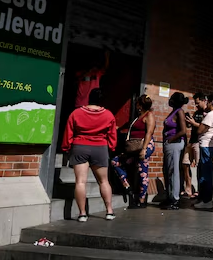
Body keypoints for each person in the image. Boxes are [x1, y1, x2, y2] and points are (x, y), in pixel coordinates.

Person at [62, 88, 117, 222]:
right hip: (100, 148)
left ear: (88, 98)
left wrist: (66, 148)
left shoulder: (76, 113)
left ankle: (82, 214)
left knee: (80, 181)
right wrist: (111, 147)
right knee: (104, 181)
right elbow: (112, 136)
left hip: (80, 146)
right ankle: (109, 211)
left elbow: (68, 132)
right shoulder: (109, 115)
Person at [111, 94, 156, 208]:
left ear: (140, 105)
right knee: (116, 161)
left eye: (137, 103)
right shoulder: (138, 117)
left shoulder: (149, 115)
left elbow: (149, 133)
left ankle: (141, 200)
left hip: (145, 146)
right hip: (134, 147)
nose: (136, 106)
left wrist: (144, 149)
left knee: (142, 171)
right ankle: (126, 185)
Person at [191, 94, 213, 210]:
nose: (207, 103)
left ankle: (206, 200)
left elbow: (200, 129)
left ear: (212, 102)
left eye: (208, 101)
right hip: (212, 145)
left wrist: (198, 126)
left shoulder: (211, 115)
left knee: (205, 173)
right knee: (207, 171)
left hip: (206, 145)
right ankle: (204, 198)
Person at [162, 92, 188, 210]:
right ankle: (169, 196)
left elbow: (183, 130)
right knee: (168, 171)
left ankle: (175, 199)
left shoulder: (180, 112)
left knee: (173, 172)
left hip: (175, 144)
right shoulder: (173, 112)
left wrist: (171, 139)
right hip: (169, 144)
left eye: (171, 99)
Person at [182, 92, 206, 199]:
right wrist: (189, 122)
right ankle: (188, 188)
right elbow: (194, 125)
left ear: (203, 100)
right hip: (191, 140)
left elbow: (204, 127)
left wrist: (193, 123)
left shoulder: (207, 113)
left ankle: (200, 190)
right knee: (185, 163)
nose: (196, 105)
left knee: (199, 166)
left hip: (199, 142)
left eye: (198, 103)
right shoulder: (196, 113)